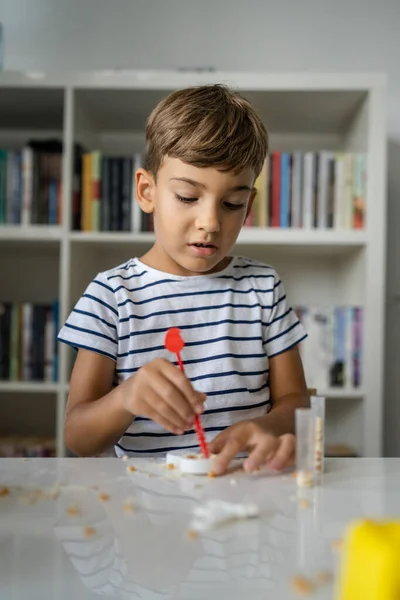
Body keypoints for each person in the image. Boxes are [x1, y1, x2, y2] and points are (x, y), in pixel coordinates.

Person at [58, 84, 309, 475]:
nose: (210, 222)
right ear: (147, 191)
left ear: (249, 206)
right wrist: (125, 398)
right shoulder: (111, 295)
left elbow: (296, 402)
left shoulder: (263, 287)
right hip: (144, 508)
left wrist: (262, 427)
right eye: (188, 197)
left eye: (231, 204)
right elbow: (78, 436)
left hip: (249, 495)